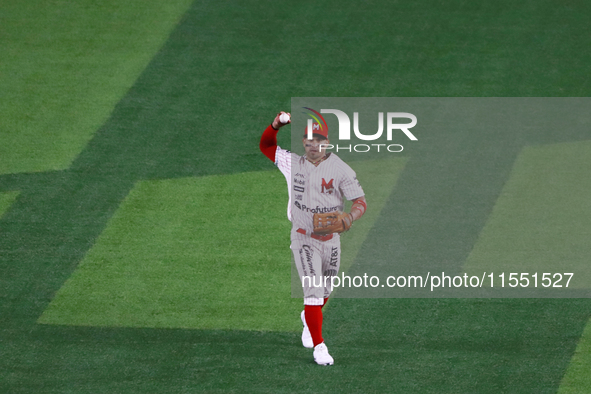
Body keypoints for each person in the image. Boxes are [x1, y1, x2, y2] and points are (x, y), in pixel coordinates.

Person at [260, 111, 367, 365]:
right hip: (303, 238)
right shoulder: (291, 163)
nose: (313, 145)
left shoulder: (340, 168)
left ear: (326, 142)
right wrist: (276, 125)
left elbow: (360, 201)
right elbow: (266, 146)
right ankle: (320, 346)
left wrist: (349, 219)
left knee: (326, 290)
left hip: (330, 240)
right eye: (309, 140)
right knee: (314, 292)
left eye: (318, 140)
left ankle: (309, 318)